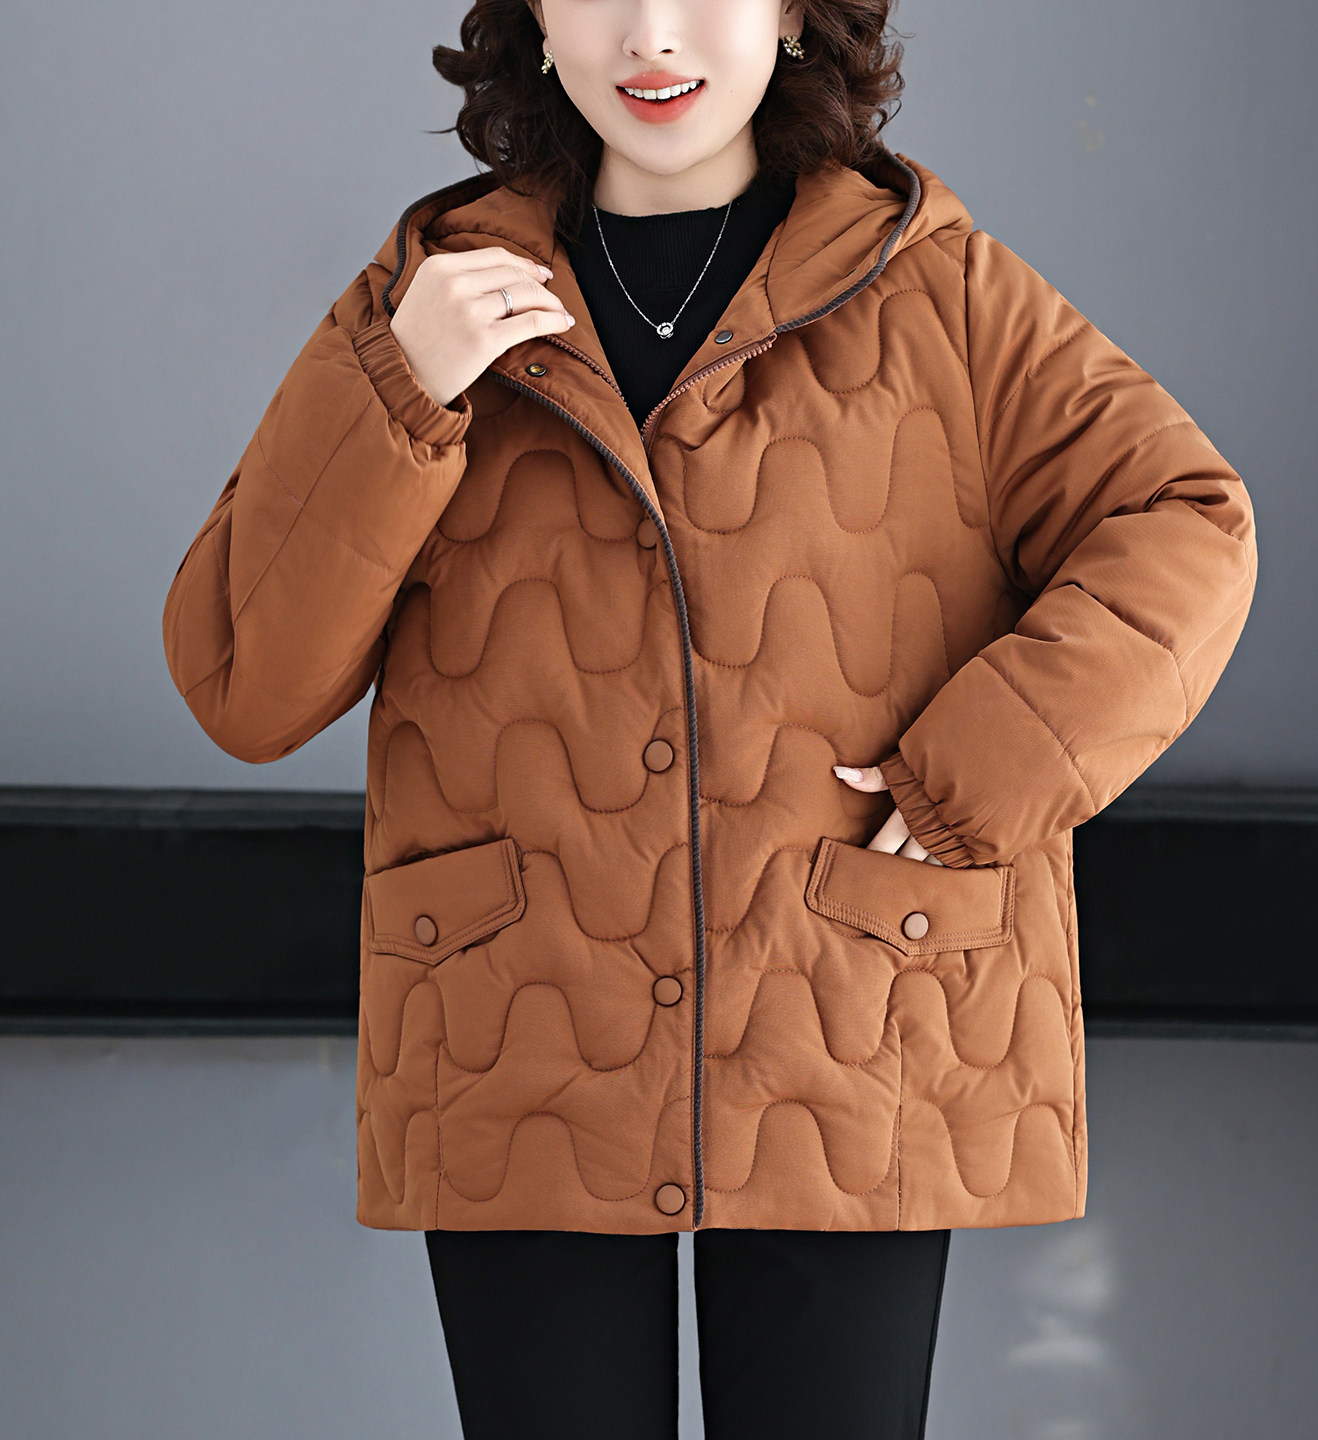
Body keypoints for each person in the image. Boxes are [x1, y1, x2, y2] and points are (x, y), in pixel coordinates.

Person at [160, 1, 1259, 1437]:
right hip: (519, 1027)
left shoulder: (941, 289)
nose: (651, 34)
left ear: (794, 13)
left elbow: (1187, 518)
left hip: (847, 1017)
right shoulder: (430, 296)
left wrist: (982, 773)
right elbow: (242, 682)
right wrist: (396, 389)